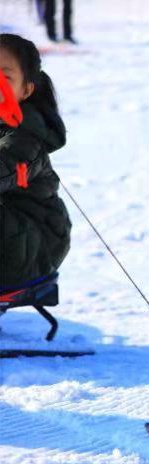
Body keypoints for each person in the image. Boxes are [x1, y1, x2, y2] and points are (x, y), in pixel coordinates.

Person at [0, 33, 71, 288]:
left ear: (26, 90)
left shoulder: (26, 137)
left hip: (34, 249)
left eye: (5, 78)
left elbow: (5, 168)